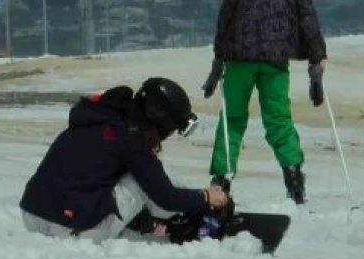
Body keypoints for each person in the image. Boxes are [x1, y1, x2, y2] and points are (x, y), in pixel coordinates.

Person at [201, 0, 328, 205]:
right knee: (278, 119)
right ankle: (294, 179)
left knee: (232, 120)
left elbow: (225, 20)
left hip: (238, 60)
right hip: (275, 62)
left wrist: (217, 62)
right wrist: (316, 60)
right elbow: (308, 18)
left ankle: (221, 182)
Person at [19, 77, 232, 243]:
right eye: (170, 129)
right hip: (69, 229)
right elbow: (166, 197)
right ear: (161, 121)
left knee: (138, 173)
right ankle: (187, 221)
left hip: (32, 215)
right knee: (141, 180)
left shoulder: (99, 119)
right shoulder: (133, 139)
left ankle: (150, 218)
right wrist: (204, 197)